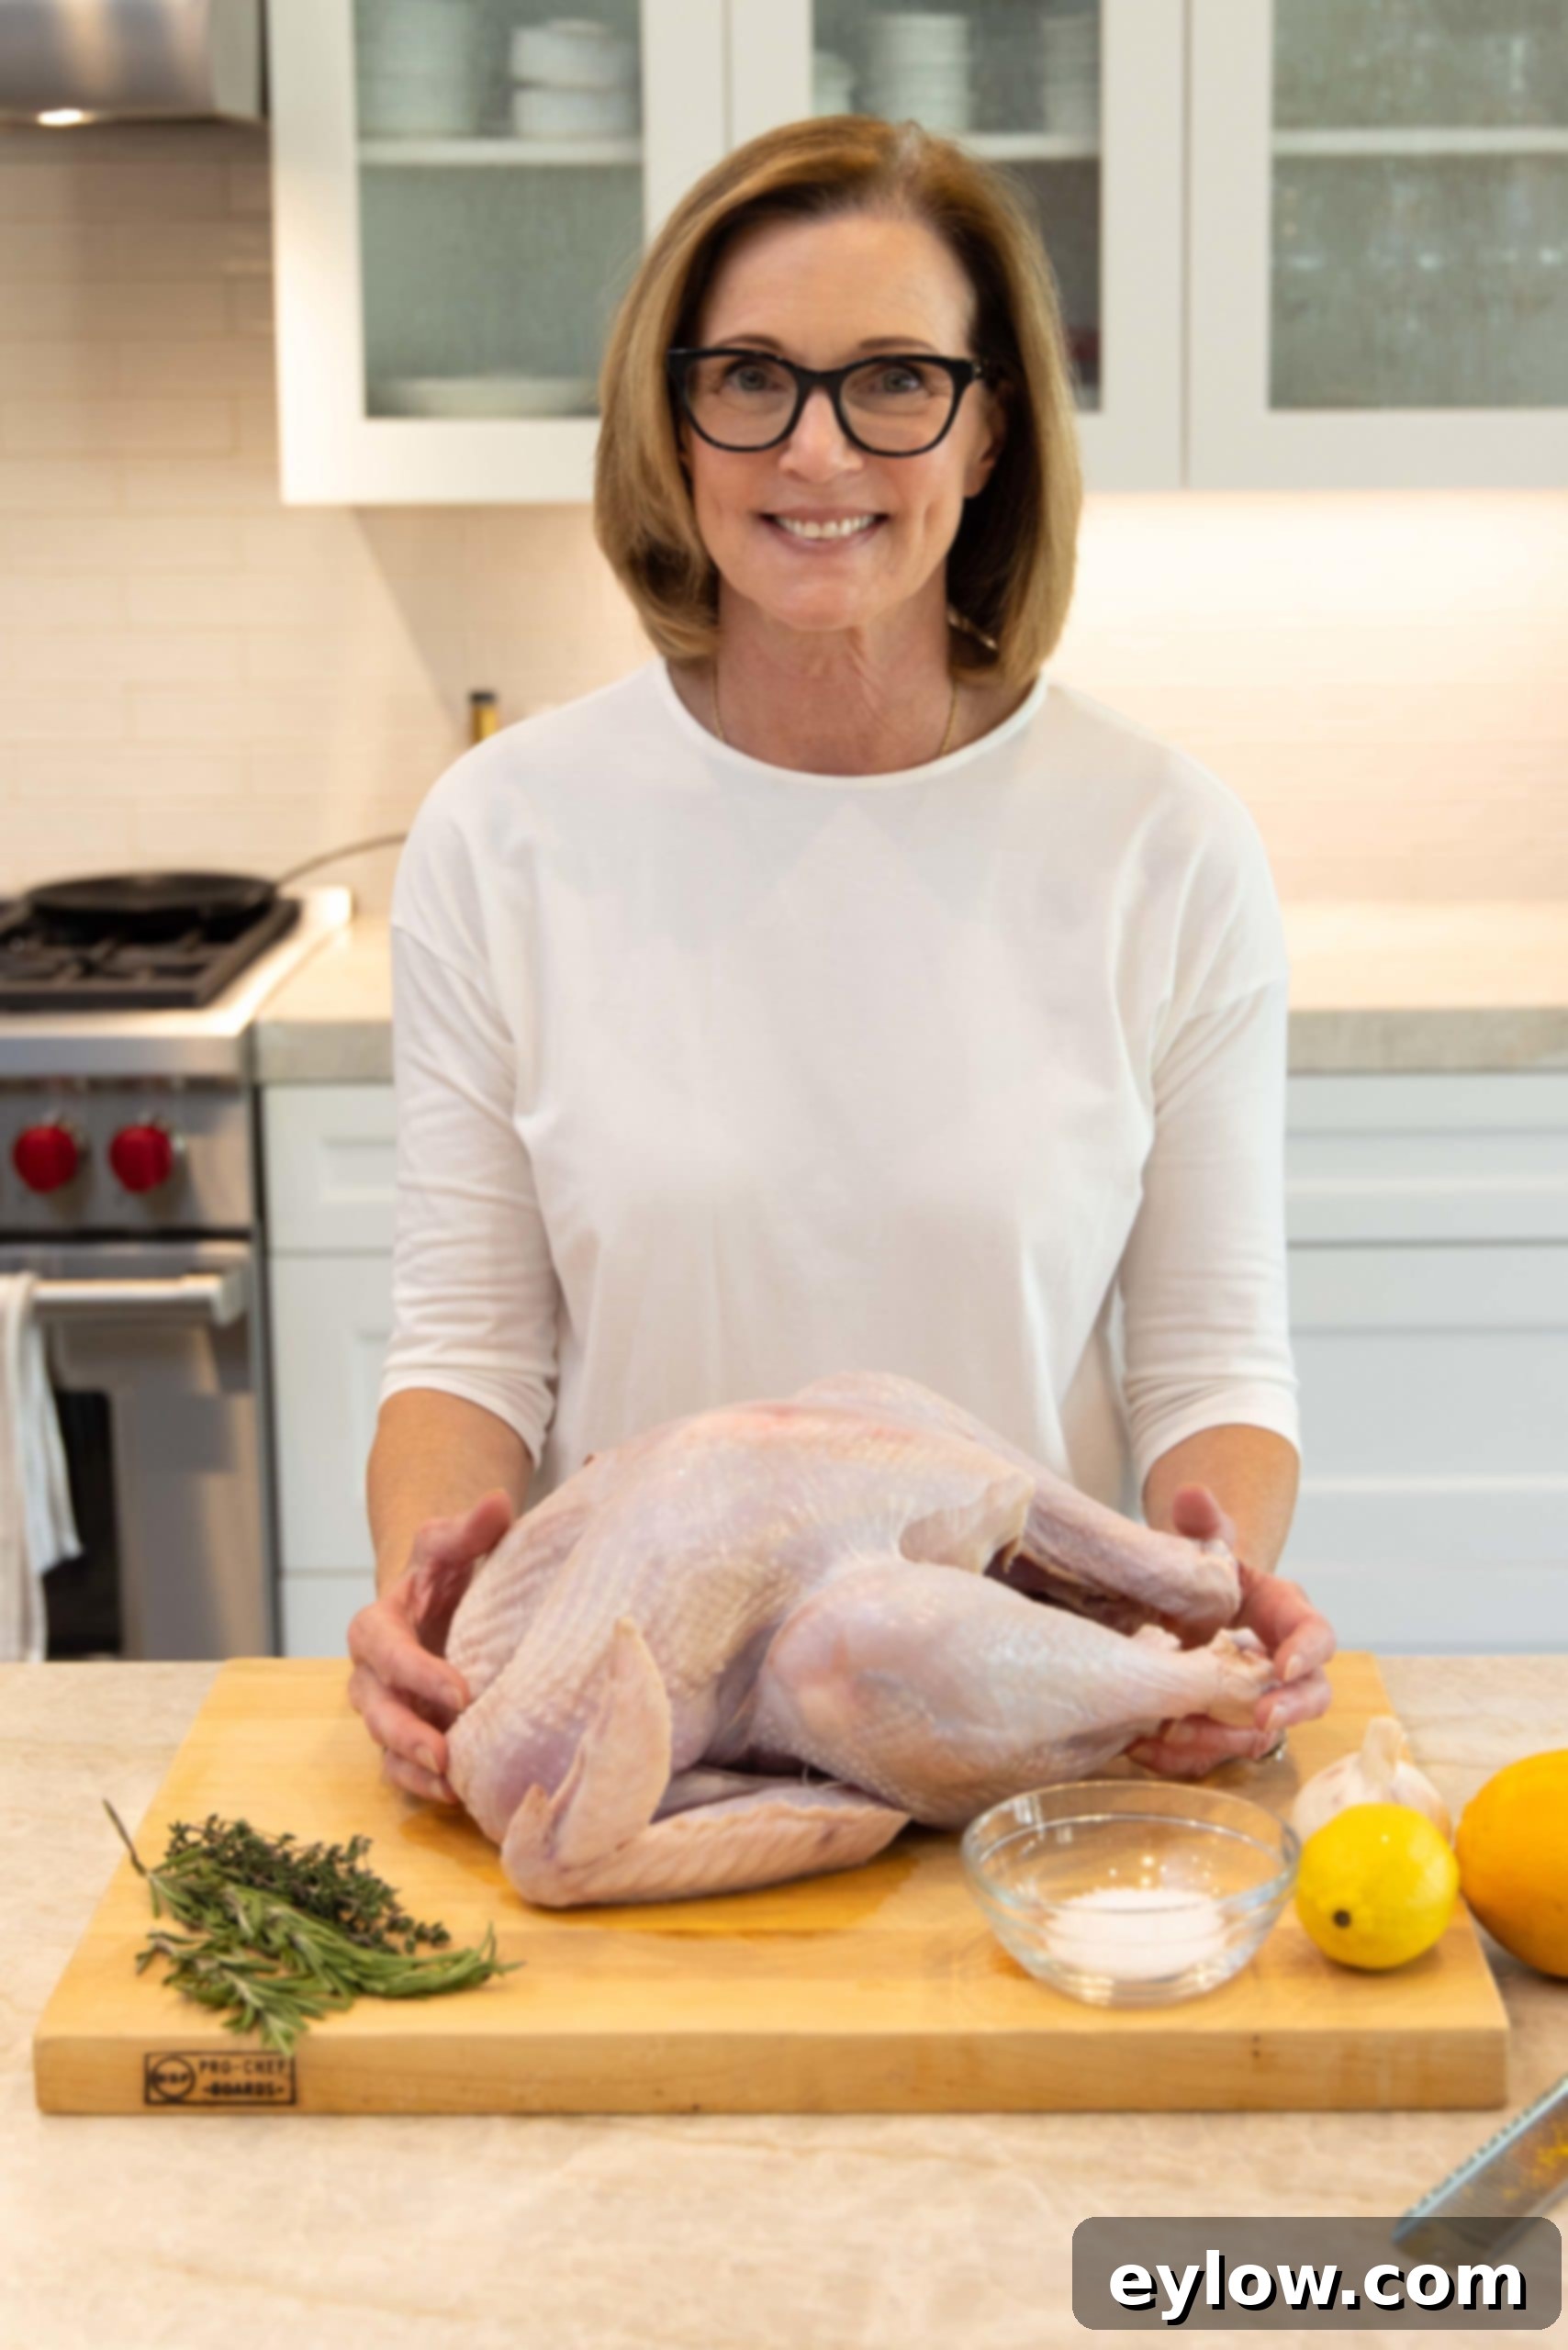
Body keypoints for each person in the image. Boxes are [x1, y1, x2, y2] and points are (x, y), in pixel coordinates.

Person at [349, 116, 1335, 1809]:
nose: (816, 453)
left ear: (992, 427)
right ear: (675, 420)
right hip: (641, 1744)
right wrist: (425, 1592)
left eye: (893, 381)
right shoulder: (504, 834)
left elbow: (1209, 1370)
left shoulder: (1160, 843)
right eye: (750, 377)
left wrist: (1204, 1601)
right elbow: (465, 1354)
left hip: (1031, 1744)